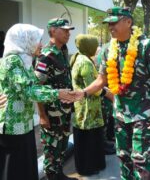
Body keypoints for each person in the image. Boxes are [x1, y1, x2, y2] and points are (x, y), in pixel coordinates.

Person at [73, 7, 150, 180]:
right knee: (123, 158)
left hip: (142, 114)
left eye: (114, 22)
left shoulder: (145, 46)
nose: (110, 27)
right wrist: (82, 93)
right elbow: (102, 80)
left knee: (141, 161)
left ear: (128, 22)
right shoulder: (109, 49)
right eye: (109, 23)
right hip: (120, 114)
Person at [0, 23, 74, 180]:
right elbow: (29, 90)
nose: (40, 43)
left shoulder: (24, 60)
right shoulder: (13, 61)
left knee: (25, 165)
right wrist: (58, 94)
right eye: (36, 39)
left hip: (24, 122)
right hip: (14, 125)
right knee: (14, 167)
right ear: (25, 40)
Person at [34, 18, 77, 180]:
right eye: (64, 30)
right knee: (52, 147)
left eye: (69, 30)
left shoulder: (63, 51)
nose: (68, 33)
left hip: (64, 110)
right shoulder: (46, 55)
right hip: (51, 113)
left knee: (62, 144)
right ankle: (52, 176)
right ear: (52, 31)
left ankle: (59, 174)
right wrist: (42, 115)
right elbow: (37, 88)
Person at [70, 34, 113, 175]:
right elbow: (93, 87)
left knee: (88, 137)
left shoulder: (79, 57)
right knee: (89, 138)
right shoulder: (85, 62)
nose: (96, 48)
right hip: (89, 107)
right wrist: (108, 94)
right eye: (94, 45)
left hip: (84, 106)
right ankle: (89, 167)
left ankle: (88, 166)